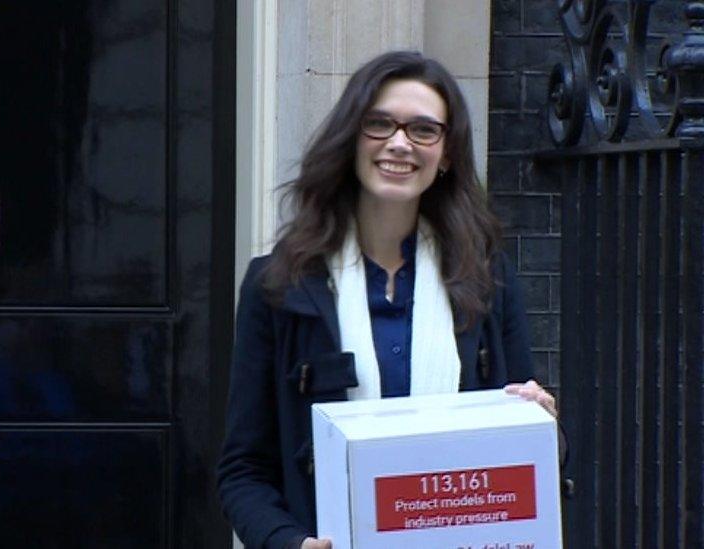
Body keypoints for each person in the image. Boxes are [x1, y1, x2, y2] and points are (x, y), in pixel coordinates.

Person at [216, 51, 558, 549]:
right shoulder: (279, 285)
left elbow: (533, 454)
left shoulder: (486, 278)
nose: (399, 143)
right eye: (380, 124)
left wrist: (542, 424)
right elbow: (243, 469)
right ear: (351, 138)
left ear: (447, 156)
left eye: (424, 130)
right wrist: (288, 542)